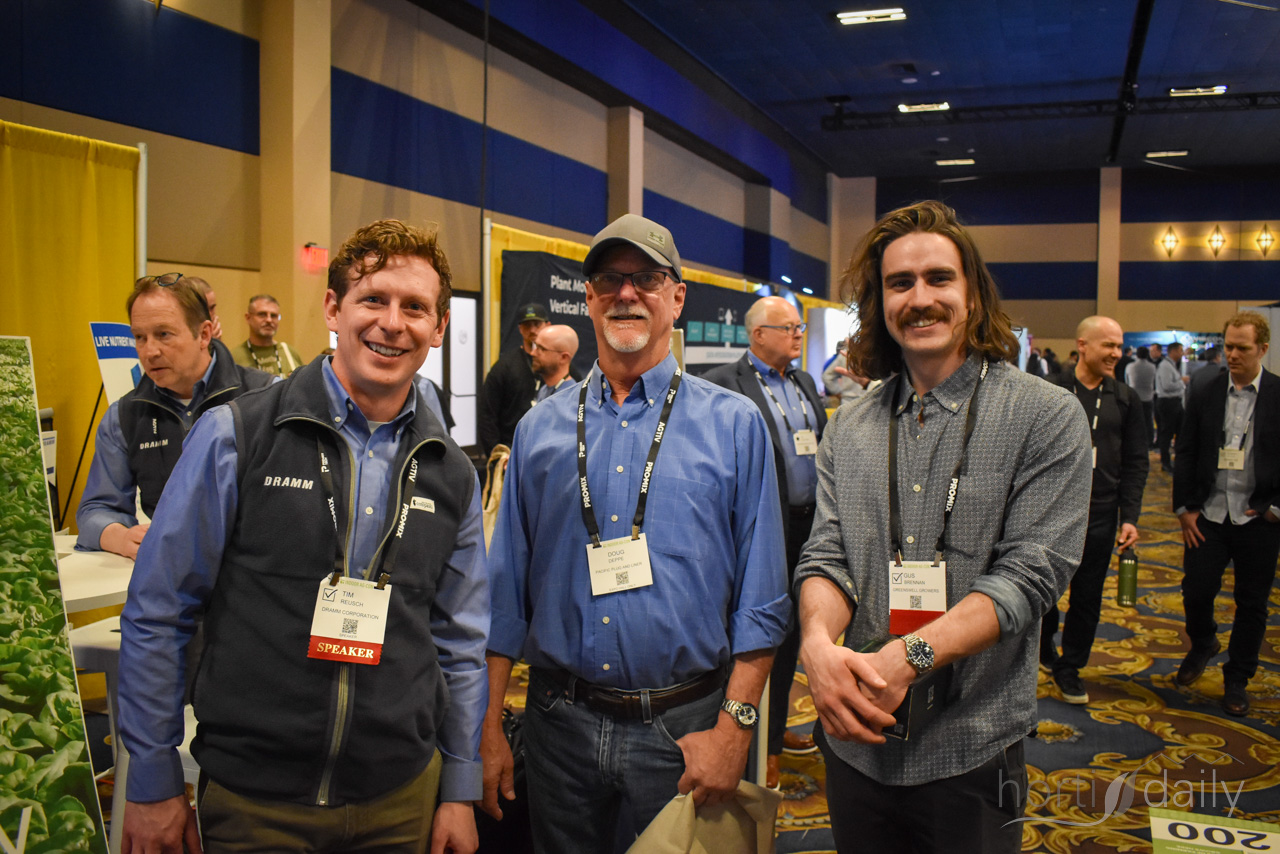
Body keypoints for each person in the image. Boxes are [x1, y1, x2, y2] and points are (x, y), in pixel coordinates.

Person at [117, 220, 489, 853]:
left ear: (438, 328)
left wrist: (459, 785)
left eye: (414, 307)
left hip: (401, 802)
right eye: (373, 300)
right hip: (257, 803)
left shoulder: (450, 471)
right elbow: (159, 609)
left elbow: (460, 641)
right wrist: (151, 778)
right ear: (333, 309)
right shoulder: (238, 435)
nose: (392, 323)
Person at [482, 213, 788, 853]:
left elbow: (762, 599)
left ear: (677, 297)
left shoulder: (735, 425)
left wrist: (735, 729)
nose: (626, 293)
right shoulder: (539, 430)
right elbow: (503, 596)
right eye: (609, 280)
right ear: (589, 298)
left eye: (646, 278)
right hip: (558, 727)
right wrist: (486, 728)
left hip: (685, 730)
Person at [794, 200, 1092, 852]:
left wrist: (912, 657)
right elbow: (828, 554)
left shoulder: (1045, 415)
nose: (920, 298)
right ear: (880, 304)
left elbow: (1030, 574)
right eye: (899, 283)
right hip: (857, 741)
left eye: (938, 279)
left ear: (973, 296)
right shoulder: (851, 425)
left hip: (971, 746)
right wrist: (815, 643)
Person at [703, 295, 828, 786]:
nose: (798, 334)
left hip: (810, 526)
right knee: (756, 633)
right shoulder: (722, 385)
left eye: (799, 327)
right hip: (759, 529)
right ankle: (746, 739)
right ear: (758, 335)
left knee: (795, 631)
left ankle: (773, 737)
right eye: (789, 327)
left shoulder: (804, 382)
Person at [74, 274, 273, 559]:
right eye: (139, 337)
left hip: (253, 566)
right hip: (173, 569)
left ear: (204, 334)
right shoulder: (124, 416)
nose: (149, 352)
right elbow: (96, 509)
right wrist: (121, 537)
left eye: (163, 334)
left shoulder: (266, 397)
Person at [1173, 311, 1280, 718]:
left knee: (1252, 604)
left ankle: (1238, 678)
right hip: (1210, 514)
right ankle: (1203, 642)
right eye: (1228, 346)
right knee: (1196, 591)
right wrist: (1185, 508)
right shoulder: (1206, 390)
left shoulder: (1278, 394)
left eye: (1242, 348)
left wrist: (1276, 509)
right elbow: (1186, 450)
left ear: (1263, 349)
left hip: (1258, 517)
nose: (1232, 354)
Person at [1041, 316, 1149, 703]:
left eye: (1119, 346)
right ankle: (1043, 646)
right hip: (1049, 514)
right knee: (1042, 592)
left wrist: (1130, 517)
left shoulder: (1125, 399)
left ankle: (1070, 667)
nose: (1117, 353)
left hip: (1101, 513)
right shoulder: (1050, 390)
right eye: (1109, 345)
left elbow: (1136, 462)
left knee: (1087, 597)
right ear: (1082, 345)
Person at [477, 303, 549, 454]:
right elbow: (486, 415)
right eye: (527, 325)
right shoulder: (504, 367)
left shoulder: (559, 366)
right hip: (511, 451)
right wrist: (497, 455)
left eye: (537, 324)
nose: (532, 330)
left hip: (548, 450)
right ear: (520, 329)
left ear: (547, 325)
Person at [231, 293, 304, 376]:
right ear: (248, 318)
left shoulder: (290, 352)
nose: (269, 320)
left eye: (273, 316)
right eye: (262, 314)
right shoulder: (234, 358)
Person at [529, 324, 579, 403]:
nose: (532, 353)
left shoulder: (572, 399)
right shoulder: (544, 390)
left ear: (564, 358)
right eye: (536, 346)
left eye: (541, 348)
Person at [1156, 341, 1186, 473]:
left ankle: (1177, 460)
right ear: (1173, 351)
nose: (1182, 353)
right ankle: (1165, 462)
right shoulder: (1165, 366)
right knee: (1166, 434)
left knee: (1180, 432)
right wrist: (1182, 382)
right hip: (1168, 403)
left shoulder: (1171, 365)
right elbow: (1167, 386)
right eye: (1180, 350)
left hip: (1175, 403)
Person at [1125, 346, 1157, 448]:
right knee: (1148, 421)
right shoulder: (1152, 367)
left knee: (1134, 422)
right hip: (1148, 397)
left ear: (1137, 354)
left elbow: (1127, 382)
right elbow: (1154, 382)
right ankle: (1149, 443)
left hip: (1134, 397)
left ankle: (1135, 442)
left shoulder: (1130, 366)